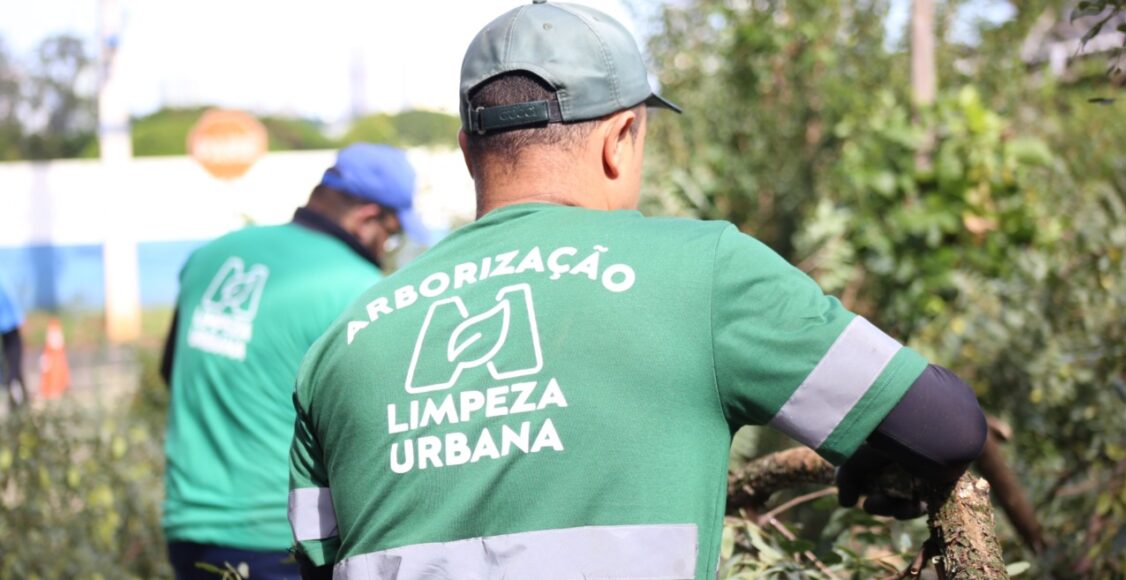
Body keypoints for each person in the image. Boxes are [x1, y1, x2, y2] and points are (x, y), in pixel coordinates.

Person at [287, 2, 988, 578]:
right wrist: (873, 465)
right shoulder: (703, 272)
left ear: (471, 151)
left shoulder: (343, 340)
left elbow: (317, 557)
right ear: (621, 137)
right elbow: (946, 427)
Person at [161, 143, 427, 579]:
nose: (388, 248)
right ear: (367, 218)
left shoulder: (210, 257)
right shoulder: (358, 290)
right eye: (391, 234)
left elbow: (173, 374)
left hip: (187, 530)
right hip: (278, 542)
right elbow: (380, 432)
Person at [0, 280, 27, 411]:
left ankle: (19, 402)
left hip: (9, 327)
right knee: (12, 367)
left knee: (13, 367)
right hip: (9, 326)